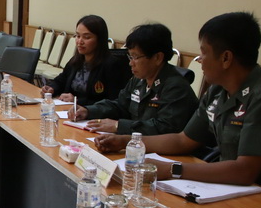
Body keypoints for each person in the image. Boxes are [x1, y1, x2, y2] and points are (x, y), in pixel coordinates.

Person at [95, 12, 261, 203]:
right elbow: (183, 140)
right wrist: (127, 141)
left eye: (204, 53)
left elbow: (245, 171)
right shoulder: (217, 91)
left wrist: (172, 169)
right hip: (229, 191)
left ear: (226, 58)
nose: (200, 61)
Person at [70, 22, 198, 135]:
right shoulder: (139, 79)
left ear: (157, 58)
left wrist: (118, 126)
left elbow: (164, 128)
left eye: (135, 57)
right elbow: (120, 105)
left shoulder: (176, 87)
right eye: (130, 57)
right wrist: (88, 111)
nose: (131, 63)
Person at [41, 15, 131, 106]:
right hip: (68, 109)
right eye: (78, 36)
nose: (80, 41)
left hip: (92, 113)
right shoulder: (76, 60)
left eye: (87, 37)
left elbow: (113, 101)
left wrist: (76, 100)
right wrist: (52, 88)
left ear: (99, 40)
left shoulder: (112, 65)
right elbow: (61, 80)